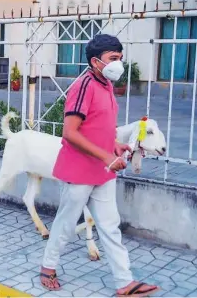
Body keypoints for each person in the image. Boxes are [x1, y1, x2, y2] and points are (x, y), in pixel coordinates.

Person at [39, 34, 160, 297]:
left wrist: (115, 144)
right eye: (113, 59)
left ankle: (124, 283)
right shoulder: (83, 85)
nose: (118, 63)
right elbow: (70, 132)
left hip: (103, 172)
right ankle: (48, 268)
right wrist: (107, 157)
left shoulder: (104, 84)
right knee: (67, 223)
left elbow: (98, 125)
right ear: (96, 61)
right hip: (79, 171)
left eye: (120, 58)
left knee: (109, 226)